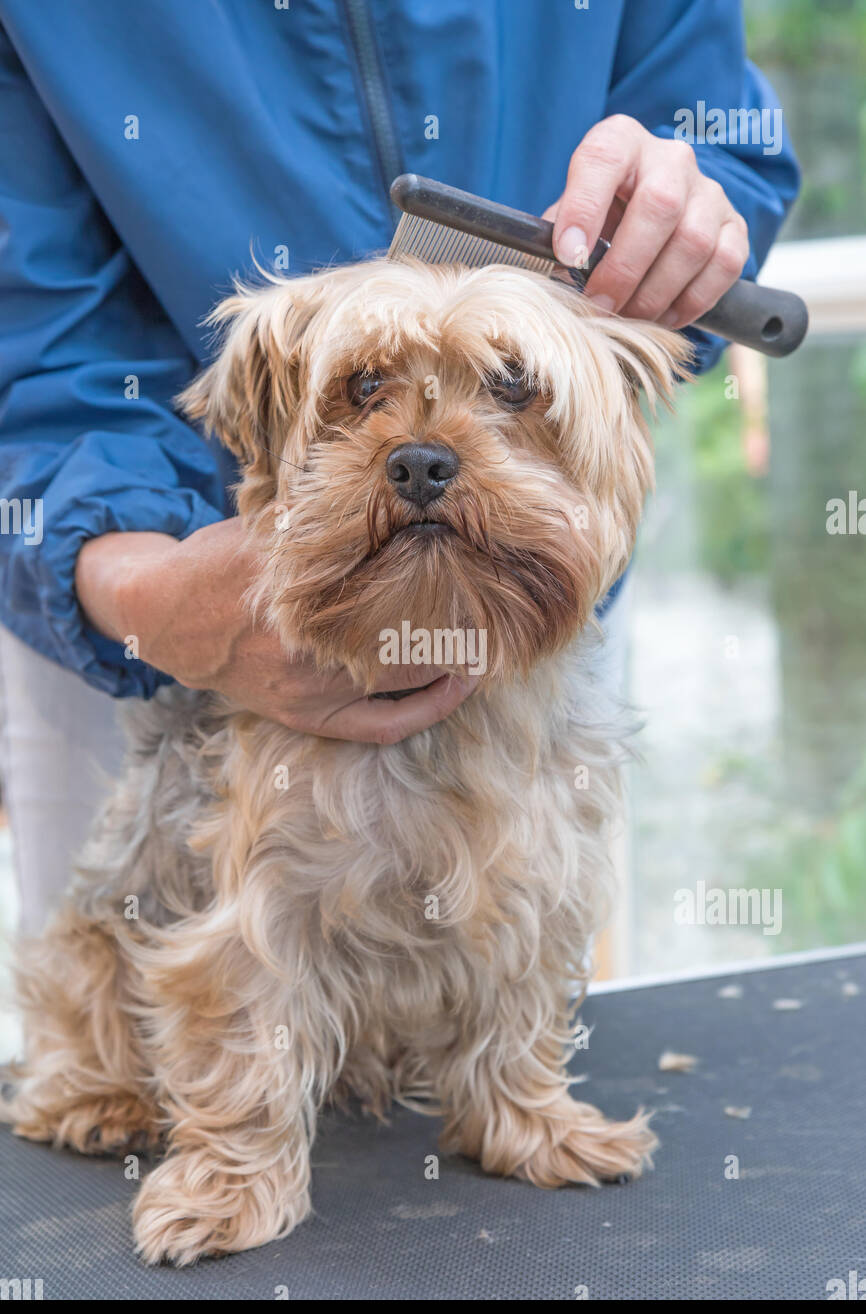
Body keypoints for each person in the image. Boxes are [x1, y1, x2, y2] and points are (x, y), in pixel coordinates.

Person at [0, 1, 799, 936]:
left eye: (506, 386)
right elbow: (26, 326)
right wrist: (135, 589)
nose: (422, 454)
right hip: (147, 595)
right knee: (163, 987)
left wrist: (689, 207)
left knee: (514, 979)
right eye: (364, 390)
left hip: (524, 623)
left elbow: (711, 125)